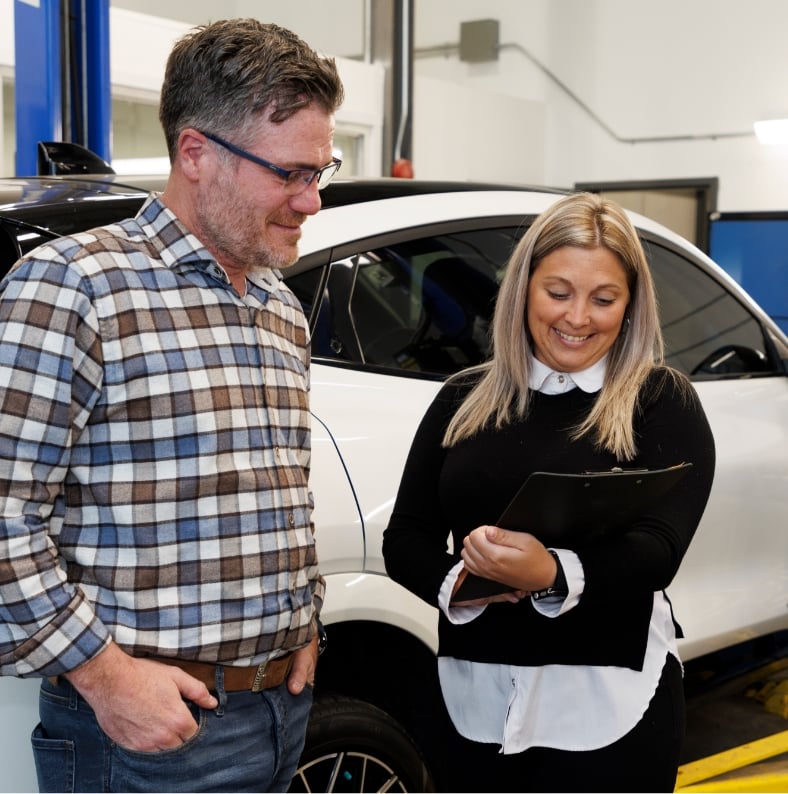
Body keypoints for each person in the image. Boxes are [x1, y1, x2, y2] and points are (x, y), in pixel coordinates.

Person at [0, 18, 343, 793]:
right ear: (196, 154)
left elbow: (271, 493)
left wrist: (301, 627)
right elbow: (5, 511)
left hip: (280, 710)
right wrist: (105, 677)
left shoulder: (279, 306)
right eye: (290, 173)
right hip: (148, 734)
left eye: (321, 170)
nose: (311, 200)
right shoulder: (76, 287)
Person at [382, 192, 716, 793]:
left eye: (604, 299)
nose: (578, 317)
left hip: (611, 704)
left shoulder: (663, 402)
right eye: (558, 292)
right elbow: (406, 538)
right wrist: (460, 581)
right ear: (523, 289)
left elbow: (659, 548)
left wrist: (554, 573)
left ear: (632, 304)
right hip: (472, 699)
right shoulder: (463, 398)